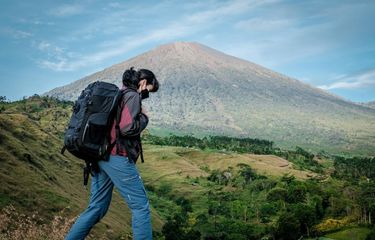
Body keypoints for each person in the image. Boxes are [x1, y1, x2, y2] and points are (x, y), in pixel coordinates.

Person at [65, 67, 159, 240]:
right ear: (144, 83)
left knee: (97, 208)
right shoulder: (132, 96)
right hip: (117, 158)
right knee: (140, 206)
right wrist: (145, 118)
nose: (146, 94)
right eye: (148, 91)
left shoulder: (118, 94)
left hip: (100, 157)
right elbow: (126, 128)